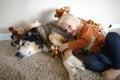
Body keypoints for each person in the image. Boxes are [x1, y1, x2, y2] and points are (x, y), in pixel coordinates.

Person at [57, 14, 120, 80]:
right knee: (88, 61)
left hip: (108, 47)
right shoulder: (76, 39)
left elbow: (85, 41)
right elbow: (82, 45)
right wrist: (78, 50)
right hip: (102, 55)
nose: (68, 31)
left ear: (76, 21)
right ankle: (112, 66)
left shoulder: (86, 28)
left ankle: (117, 67)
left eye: (69, 26)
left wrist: (67, 45)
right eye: (65, 30)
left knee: (111, 36)